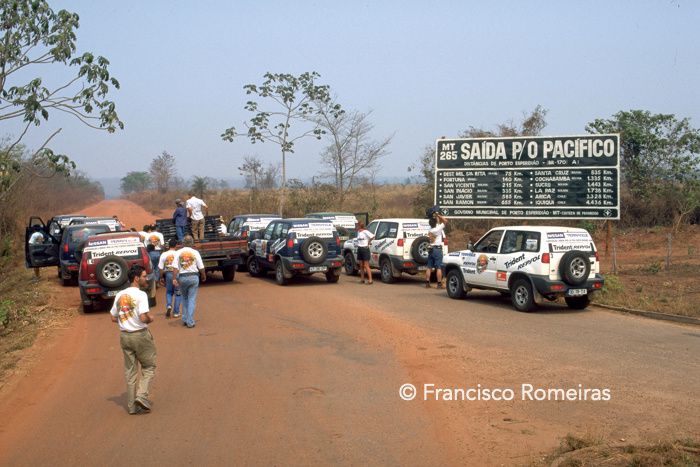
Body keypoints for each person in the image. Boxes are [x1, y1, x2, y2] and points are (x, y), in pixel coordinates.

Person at [109, 265, 156, 415]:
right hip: (140, 335)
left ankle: (131, 407)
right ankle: (141, 396)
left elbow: (113, 317)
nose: (146, 278)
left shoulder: (120, 295)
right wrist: (150, 318)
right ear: (136, 278)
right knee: (149, 367)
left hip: (125, 336)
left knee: (130, 372)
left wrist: (126, 320)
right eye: (144, 276)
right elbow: (143, 317)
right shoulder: (141, 295)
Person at [172, 235, 206, 328]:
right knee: (191, 299)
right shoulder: (195, 252)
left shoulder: (178, 252)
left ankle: (184, 319)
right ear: (192, 243)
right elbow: (201, 266)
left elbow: (175, 267)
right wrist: (203, 275)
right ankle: (190, 321)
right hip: (194, 277)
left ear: (183, 243)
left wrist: (174, 278)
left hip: (182, 277)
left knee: (184, 298)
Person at [158, 239, 182, 319]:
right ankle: (176, 312)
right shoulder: (178, 253)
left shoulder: (164, 254)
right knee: (178, 293)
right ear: (176, 245)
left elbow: (160, 268)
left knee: (169, 292)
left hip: (168, 273)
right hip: (177, 273)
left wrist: (161, 277)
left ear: (168, 246)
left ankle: (169, 305)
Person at [425, 212, 448, 288]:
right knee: (438, 267)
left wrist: (436, 218)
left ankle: (427, 283)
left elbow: (437, 223)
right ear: (435, 223)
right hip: (437, 249)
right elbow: (445, 221)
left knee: (429, 267)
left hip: (431, 249)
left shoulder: (430, 229)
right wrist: (438, 215)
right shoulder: (438, 229)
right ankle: (439, 283)